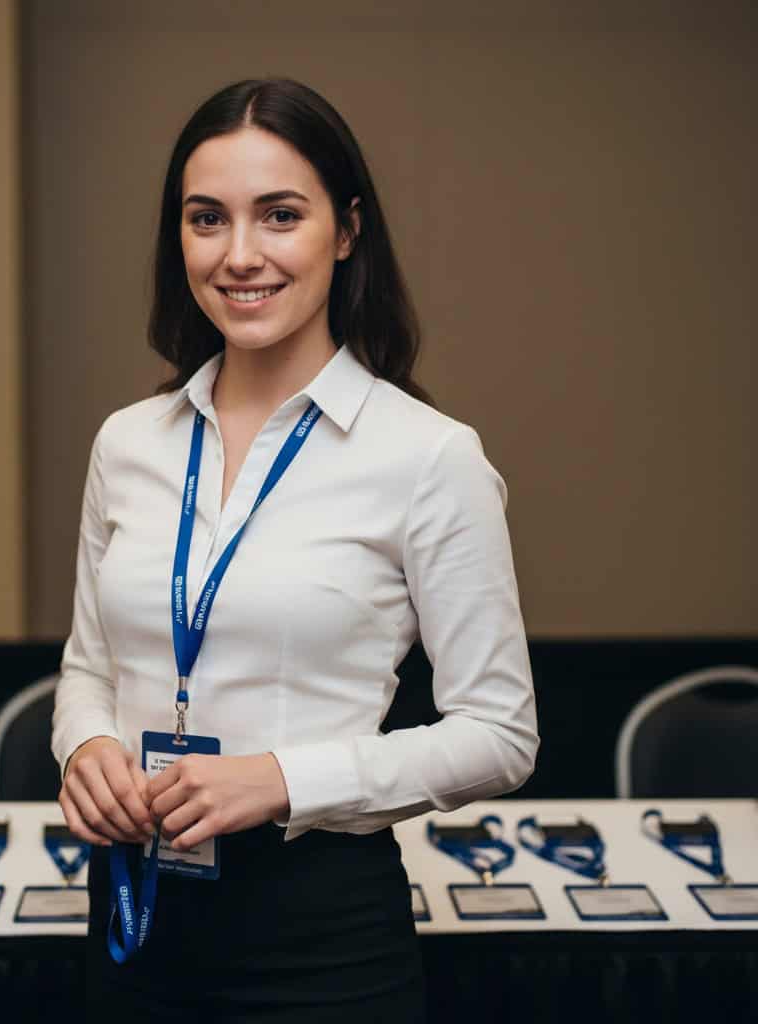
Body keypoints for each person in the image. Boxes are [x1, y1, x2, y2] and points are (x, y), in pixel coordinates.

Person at [52, 76, 539, 1022]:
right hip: (133, 913)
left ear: (346, 231)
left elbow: (501, 735)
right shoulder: (128, 443)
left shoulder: (429, 457)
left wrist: (283, 780)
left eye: (279, 216)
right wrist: (87, 748)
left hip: (320, 942)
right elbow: (88, 668)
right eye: (206, 220)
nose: (240, 256)